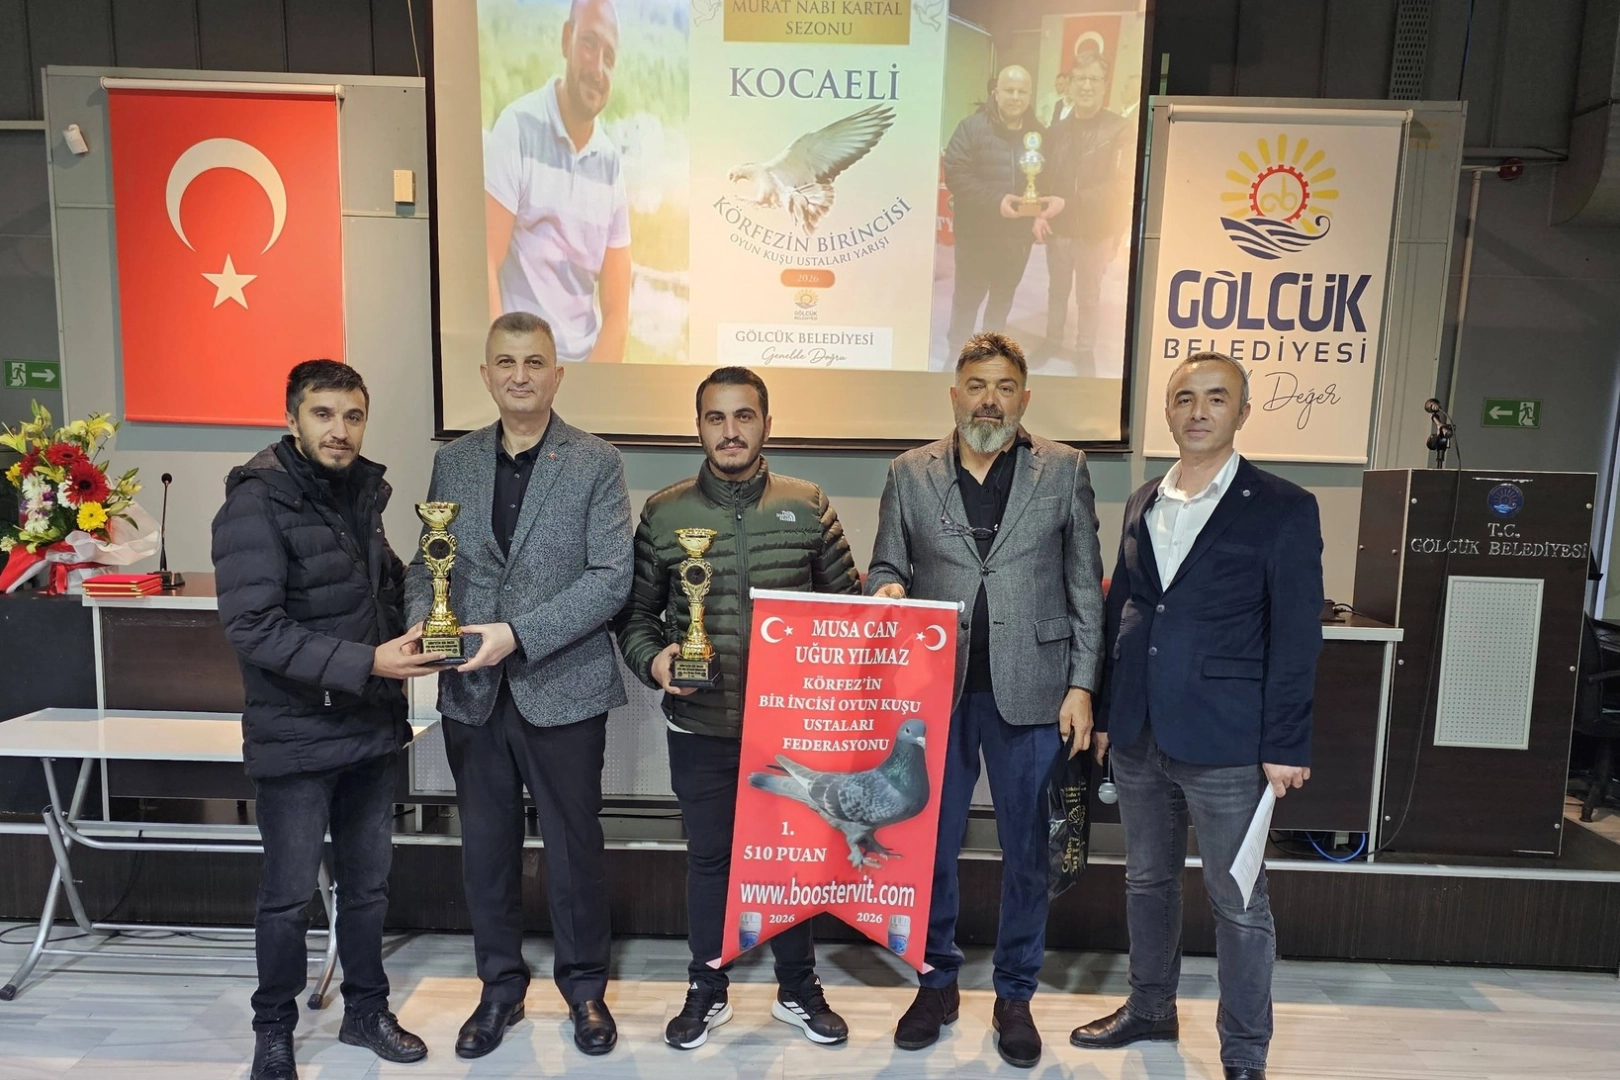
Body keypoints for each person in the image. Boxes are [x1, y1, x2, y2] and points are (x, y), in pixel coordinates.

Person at [1070, 352, 1323, 1080]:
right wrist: (1109, 711)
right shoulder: (1145, 499)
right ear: (1168, 411)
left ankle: (1244, 1053)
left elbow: (1297, 633)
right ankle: (1151, 1007)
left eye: (1216, 398)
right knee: (1146, 882)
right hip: (1139, 733)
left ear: (1242, 411)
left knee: (1238, 902)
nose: (1199, 411)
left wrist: (1286, 742)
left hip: (1229, 740)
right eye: (1184, 398)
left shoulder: (1282, 505)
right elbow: (1126, 611)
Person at [867, 331, 1105, 1069]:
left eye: (1004, 387)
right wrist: (887, 587)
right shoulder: (909, 472)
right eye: (976, 386)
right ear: (954, 394)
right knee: (927, 847)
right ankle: (935, 983)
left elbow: (1085, 586)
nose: (989, 401)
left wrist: (1083, 685)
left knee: (1027, 850)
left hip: (1034, 692)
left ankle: (1015, 994)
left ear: (1024, 397)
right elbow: (885, 562)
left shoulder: (1064, 468)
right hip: (932, 695)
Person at [404, 312, 633, 1058]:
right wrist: (423, 623)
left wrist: (518, 633)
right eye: (506, 362)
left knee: (574, 848)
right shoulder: (454, 462)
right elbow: (427, 564)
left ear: (557, 374)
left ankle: (586, 989)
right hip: (472, 694)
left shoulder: (596, 460)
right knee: (487, 849)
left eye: (534, 362)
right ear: (486, 375)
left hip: (562, 684)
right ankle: (499, 989)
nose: (520, 375)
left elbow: (611, 578)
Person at [615, 367, 860, 1051]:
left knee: (791, 861)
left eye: (744, 416)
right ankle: (708, 984)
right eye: (716, 418)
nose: (730, 431)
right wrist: (657, 662)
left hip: (793, 729)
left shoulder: (807, 504)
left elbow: (848, 612)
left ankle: (797, 987)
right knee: (710, 860)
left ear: (766, 425)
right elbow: (635, 617)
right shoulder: (665, 513)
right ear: (698, 427)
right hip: (702, 726)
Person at [213, 360, 440, 1080]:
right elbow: (253, 627)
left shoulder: (360, 494)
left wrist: (438, 614)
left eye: (352, 416)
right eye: (323, 414)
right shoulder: (255, 503)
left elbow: (383, 588)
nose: (340, 430)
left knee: (368, 888)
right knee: (287, 899)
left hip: (368, 729)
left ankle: (366, 1012)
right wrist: (370, 662)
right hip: (296, 735)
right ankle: (273, 1030)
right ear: (292, 419)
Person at [484, 0, 630, 363]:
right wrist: (506, 369)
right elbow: (485, 261)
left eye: (610, 57)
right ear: (567, 39)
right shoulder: (517, 127)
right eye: (589, 44)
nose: (598, 68)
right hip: (522, 374)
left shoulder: (610, 164)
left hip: (585, 376)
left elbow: (617, 312)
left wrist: (594, 386)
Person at [942, 66, 1064, 349]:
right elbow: (956, 175)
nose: (1016, 97)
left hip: (1016, 239)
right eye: (1009, 90)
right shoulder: (971, 128)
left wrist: (1039, 213)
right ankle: (956, 352)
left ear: (1030, 95)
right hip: (976, 236)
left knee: (1002, 298)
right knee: (967, 299)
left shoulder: (1039, 135)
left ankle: (989, 352)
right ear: (996, 93)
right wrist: (996, 201)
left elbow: (1046, 179)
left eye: (1022, 91)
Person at [1041, 45, 1132, 370]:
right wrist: (1038, 213)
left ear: (1105, 84)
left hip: (1095, 233)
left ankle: (1084, 350)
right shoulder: (1056, 130)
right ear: (1070, 83)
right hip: (1058, 231)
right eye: (1080, 78)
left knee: (1089, 297)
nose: (1086, 86)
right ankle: (1052, 341)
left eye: (1094, 79)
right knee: (1056, 291)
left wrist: (1071, 201)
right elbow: (1045, 178)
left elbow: (1122, 185)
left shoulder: (1119, 129)